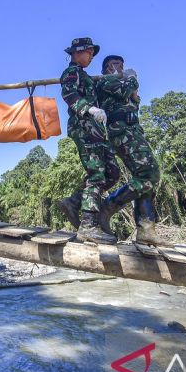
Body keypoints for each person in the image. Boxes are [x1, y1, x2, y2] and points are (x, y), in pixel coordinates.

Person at [57, 37, 120, 244]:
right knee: (97, 174)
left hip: (97, 130)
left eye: (93, 54)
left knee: (112, 173)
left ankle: (74, 201)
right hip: (83, 126)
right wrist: (89, 109)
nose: (91, 57)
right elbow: (69, 94)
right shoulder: (71, 72)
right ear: (77, 52)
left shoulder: (87, 77)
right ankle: (88, 225)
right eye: (88, 53)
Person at [97, 55, 165, 245]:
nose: (118, 68)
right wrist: (132, 78)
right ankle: (107, 207)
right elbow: (126, 90)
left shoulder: (122, 82)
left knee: (147, 177)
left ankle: (146, 230)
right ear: (106, 69)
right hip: (121, 133)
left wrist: (131, 85)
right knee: (148, 175)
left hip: (134, 132)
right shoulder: (105, 82)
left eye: (121, 65)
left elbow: (134, 100)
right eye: (113, 65)